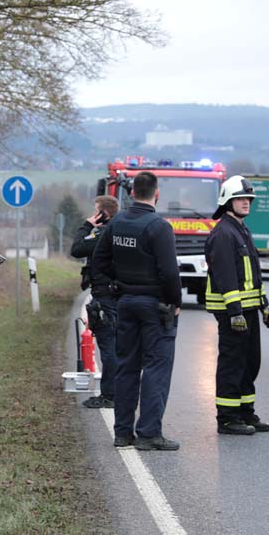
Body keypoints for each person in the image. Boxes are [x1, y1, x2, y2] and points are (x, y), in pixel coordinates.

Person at [92, 171, 183, 451]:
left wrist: (110, 291)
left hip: (125, 303)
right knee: (156, 367)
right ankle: (148, 434)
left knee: (126, 367)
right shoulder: (159, 227)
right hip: (155, 306)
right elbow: (169, 272)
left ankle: (122, 434)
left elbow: (99, 262)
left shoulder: (117, 223)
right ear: (157, 194)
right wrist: (175, 302)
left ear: (132, 193)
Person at [203, 175, 269, 436]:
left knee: (249, 362)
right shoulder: (223, 233)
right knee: (233, 364)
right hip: (233, 313)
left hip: (248, 310)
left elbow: (251, 274)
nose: (246, 203)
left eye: (248, 199)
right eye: (240, 199)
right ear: (227, 201)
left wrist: (264, 305)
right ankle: (228, 418)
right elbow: (225, 275)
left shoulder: (241, 229)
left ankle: (246, 412)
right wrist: (234, 312)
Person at [70, 194, 120, 409]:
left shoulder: (103, 234)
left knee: (109, 348)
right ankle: (119, 393)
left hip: (105, 297)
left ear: (103, 214)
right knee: (118, 347)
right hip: (118, 295)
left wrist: (86, 225)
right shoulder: (121, 232)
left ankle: (110, 395)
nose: (93, 215)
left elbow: (77, 249)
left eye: (96, 211)